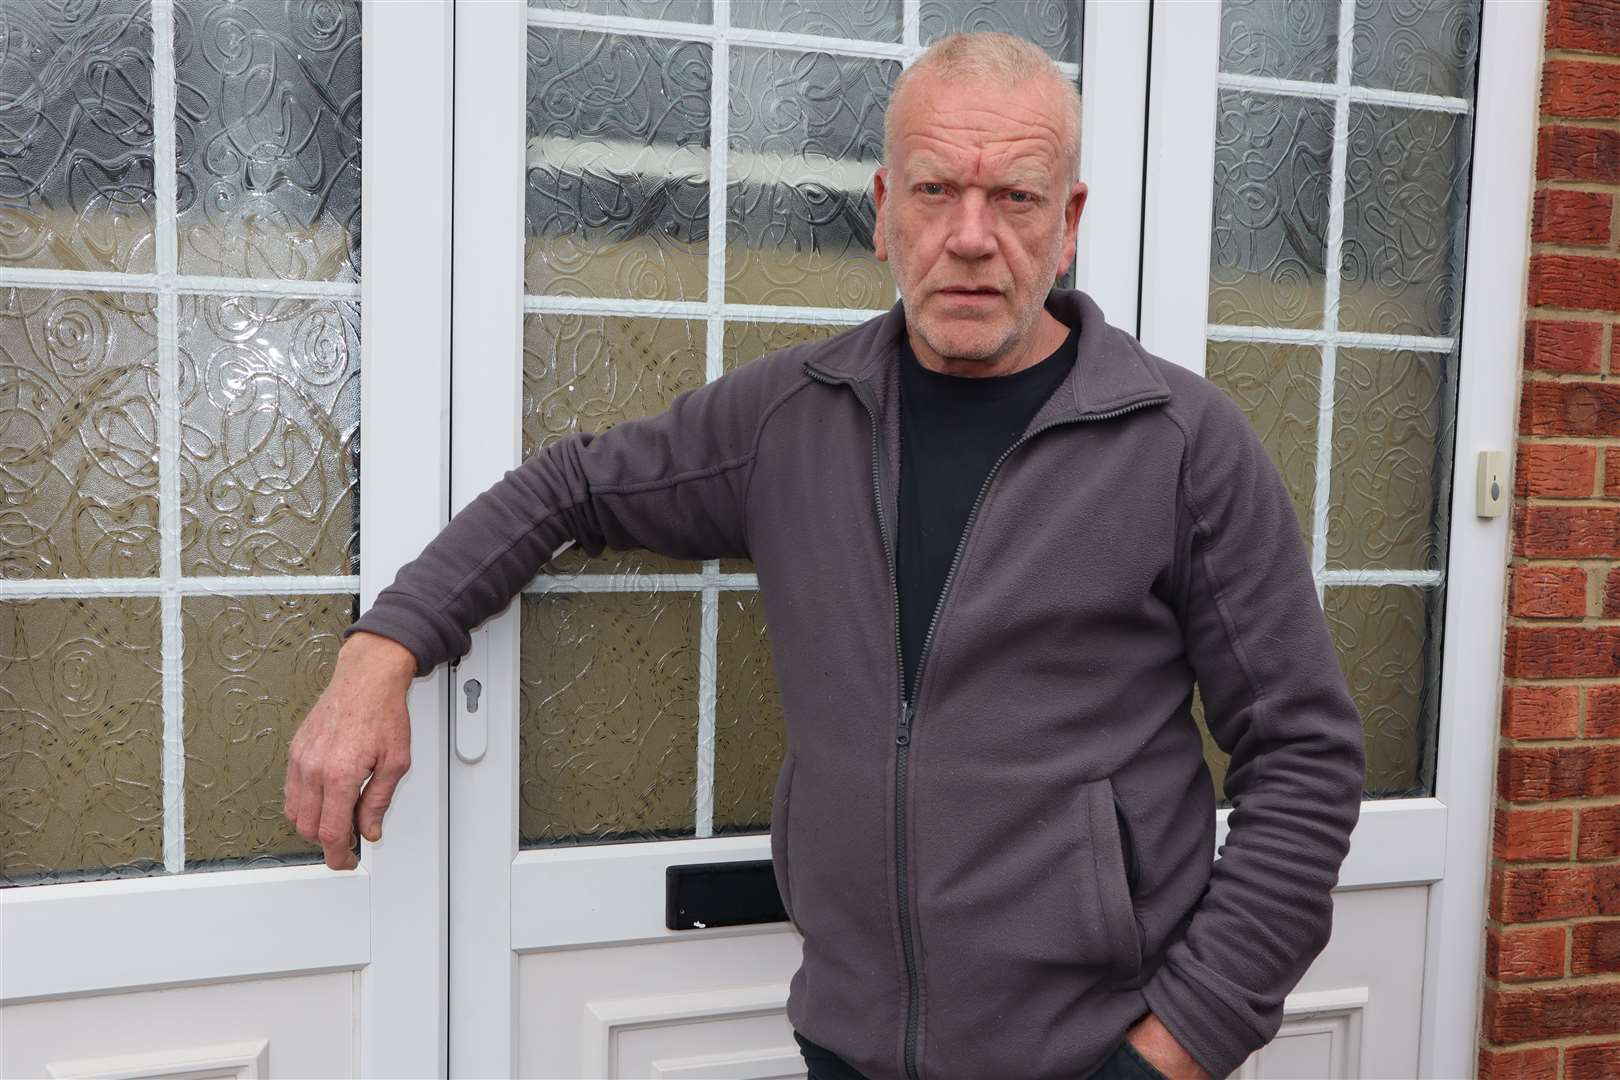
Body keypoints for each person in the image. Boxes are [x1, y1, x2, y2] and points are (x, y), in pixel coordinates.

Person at [283, 30, 1366, 1080]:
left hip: (1098, 1052)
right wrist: (383, 650)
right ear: (885, 214)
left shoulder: (1181, 443)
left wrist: (1183, 1044)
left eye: (1016, 197)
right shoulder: (792, 419)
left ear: (1069, 220)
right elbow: (570, 486)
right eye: (936, 191)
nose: (973, 235)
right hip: (848, 1044)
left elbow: (1306, 762)